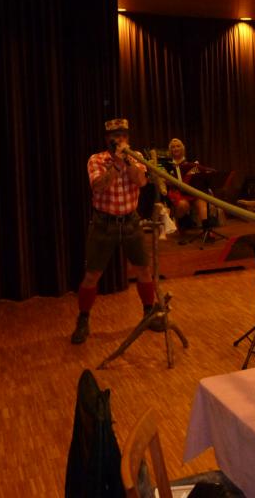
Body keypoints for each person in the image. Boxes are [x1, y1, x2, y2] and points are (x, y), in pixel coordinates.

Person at [71, 118, 155, 344]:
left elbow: (141, 182)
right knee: (92, 274)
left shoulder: (136, 157)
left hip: (131, 221)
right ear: (107, 139)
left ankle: (149, 313)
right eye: (115, 136)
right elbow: (99, 186)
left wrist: (127, 161)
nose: (120, 139)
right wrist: (116, 164)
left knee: (143, 269)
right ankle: (83, 319)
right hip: (104, 223)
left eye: (124, 135)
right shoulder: (96, 159)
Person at [165, 138, 210, 228]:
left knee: (202, 201)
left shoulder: (191, 162)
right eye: (173, 147)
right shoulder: (167, 165)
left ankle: (206, 231)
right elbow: (165, 182)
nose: (176, 148)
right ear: (170, 150)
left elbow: (200, 176)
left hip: (192, 191)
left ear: (182, 148)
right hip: (176, 193)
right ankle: (181, 224)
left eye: (178, 146)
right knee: (183, 205)